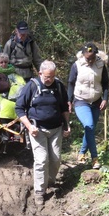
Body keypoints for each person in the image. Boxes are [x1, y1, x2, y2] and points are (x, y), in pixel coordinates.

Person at [16, 60, 71, 205]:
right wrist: (29, 126)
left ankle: (50, 181)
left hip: (56, 128)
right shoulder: (32, 86)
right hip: (37, 129)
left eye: (52, 76)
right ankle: (39, 192)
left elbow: (64, 107)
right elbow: (19, 109)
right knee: (41, 160)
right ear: (40, 73)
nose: (50, 80)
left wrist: (67, 125)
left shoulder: (58, 86)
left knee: (56, 159)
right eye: (47, 77)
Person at [66, 42, 109, 170]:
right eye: (87, 58)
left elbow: (106, 83)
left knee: (90, 129)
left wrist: (105, 99)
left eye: (92, 58)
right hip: (81, 100)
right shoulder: (77, 65)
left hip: (96, 101)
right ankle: (94, 158)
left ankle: (81, 154)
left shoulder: (101, 65)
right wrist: (69, 100)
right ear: (83, 55)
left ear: (96, 55)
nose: (89, 60)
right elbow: (70, 83)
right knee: (89, 125)